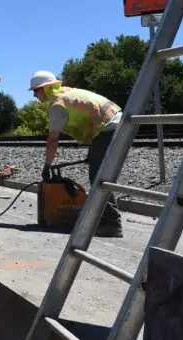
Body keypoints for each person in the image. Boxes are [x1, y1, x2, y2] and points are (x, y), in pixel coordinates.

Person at [29, 70, 124, 237]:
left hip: (109, 129)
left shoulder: (58, 105)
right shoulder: (68, 93)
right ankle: (105, 220)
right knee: (99, 176)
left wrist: (47, 165)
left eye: (36, 91)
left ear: (45, 88)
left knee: (99, 178)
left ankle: (111, 224)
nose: (35, 95)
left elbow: (52, 140)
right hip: (114, 125)